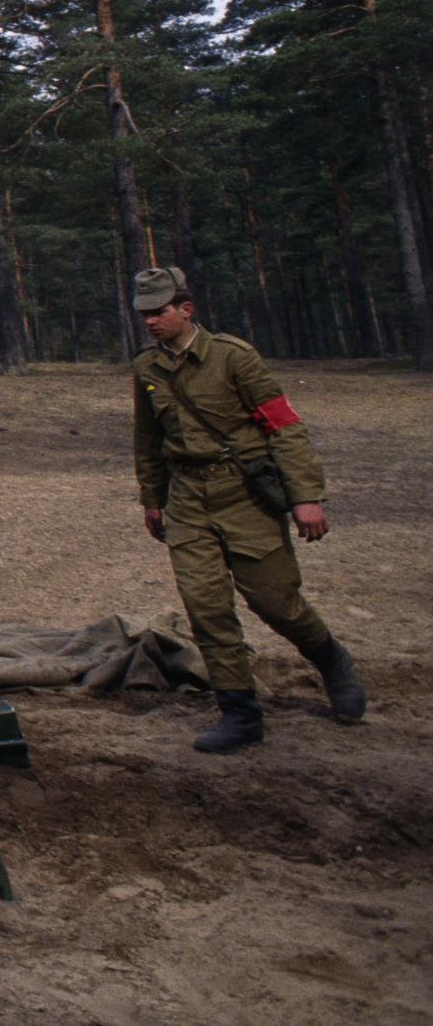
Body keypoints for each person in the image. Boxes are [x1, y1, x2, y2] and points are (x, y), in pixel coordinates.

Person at [130, 266, 365, 753]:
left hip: (245, 495)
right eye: (144, 314)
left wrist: (305, 496)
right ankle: (239, 712)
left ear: (185, 310)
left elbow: (284, 425)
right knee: (206, 608)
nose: (151, 322)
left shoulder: (233, 358)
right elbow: (148, 439)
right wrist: (152, 498)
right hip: (188, 499)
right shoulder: (147, 369)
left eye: (159, 312)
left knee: (276, 601)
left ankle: (331, 659)